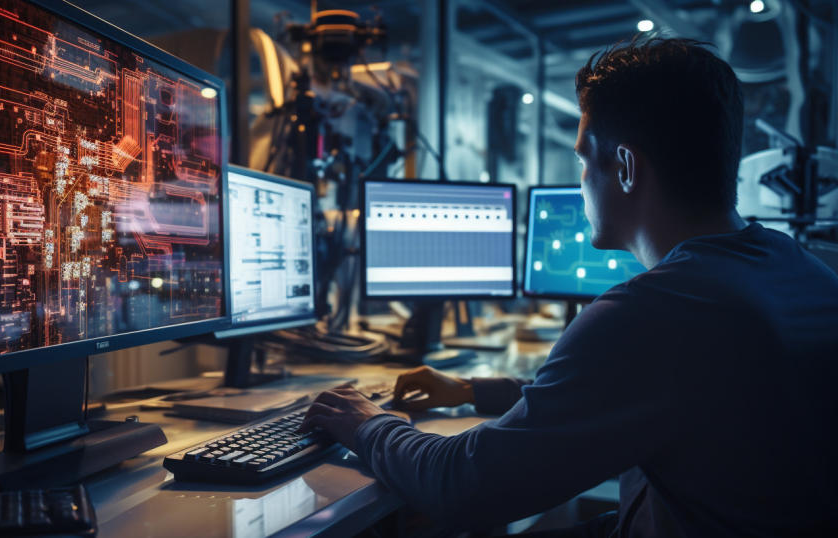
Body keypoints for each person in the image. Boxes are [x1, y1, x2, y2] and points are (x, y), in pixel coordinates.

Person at [299, 37, 838, 537]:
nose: (580, 176)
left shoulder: (652, 312)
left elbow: (460, 485)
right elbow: (634, 392)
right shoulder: (798, 267)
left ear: (624, 166)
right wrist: (471, 390)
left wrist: (367, 425)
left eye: (582, 157)